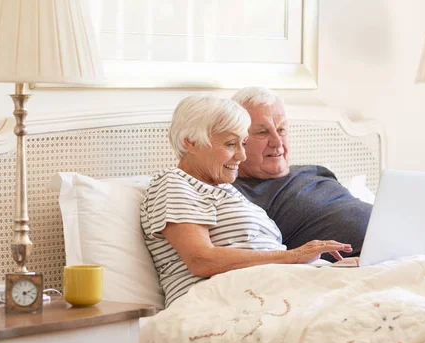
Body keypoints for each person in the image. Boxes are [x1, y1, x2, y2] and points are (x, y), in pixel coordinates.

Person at [140, 95, 353, 308]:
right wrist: (295, 256)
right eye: (231, 144)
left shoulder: (228, 192)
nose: (241, 156)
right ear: (191, 142)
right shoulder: (175, 182)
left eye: (242, 143)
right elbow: (202, 261)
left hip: (275, 288)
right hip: (224, 300)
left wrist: (340, 269)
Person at [231, 87, 373, 262]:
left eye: (282, 130)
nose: (277, 142)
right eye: (262, 132)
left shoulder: (315, 171)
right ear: (237, 139)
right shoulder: (235, 195)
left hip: (401, 246)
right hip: (356, 263)